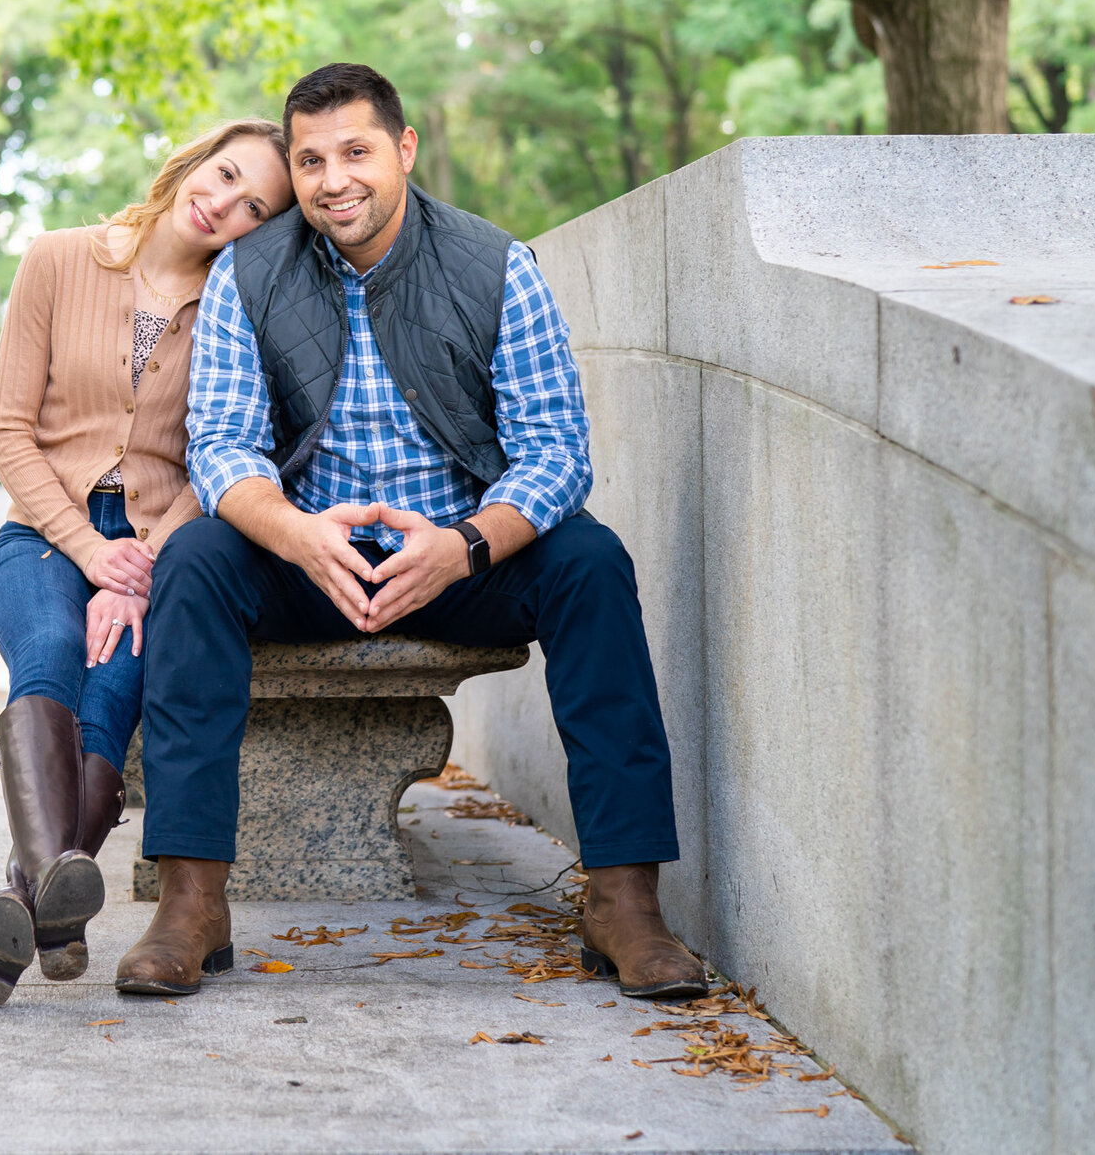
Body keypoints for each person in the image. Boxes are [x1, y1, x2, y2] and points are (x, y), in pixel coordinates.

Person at [115, 62, 706, 1002]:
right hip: (310, 558)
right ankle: (193, 900)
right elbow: (221, 445)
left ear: (404, 150)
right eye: (309, 160)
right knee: (195, 558)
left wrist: (466, 544)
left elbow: (557, 451)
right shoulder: (247, 273)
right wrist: (296, 533)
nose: (332, 179)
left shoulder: (495, 263)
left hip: (459, 556)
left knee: (591, 559)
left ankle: (625, 900)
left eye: (355, 151)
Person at [0, 119, 294, 1006]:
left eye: (253, 207)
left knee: (110, 694)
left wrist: (143, 562)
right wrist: (90, 552)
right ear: (195, 159)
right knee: (48, 657)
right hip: (41, 533)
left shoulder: (239, 308)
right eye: (224, 175)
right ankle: (52, 902)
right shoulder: (58, 258)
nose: (222, 203)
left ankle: (21, 902)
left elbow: (229, 454)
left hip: (161, 545)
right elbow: (7, 433)